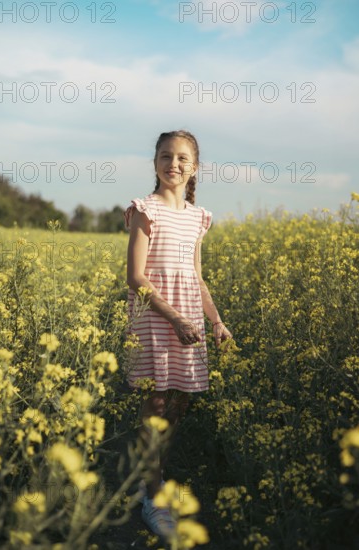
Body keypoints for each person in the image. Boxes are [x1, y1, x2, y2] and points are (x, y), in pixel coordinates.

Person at [123, 129, 233, 538]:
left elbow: (197, 279)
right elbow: (136, 278)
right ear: (154, 164)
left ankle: (152, 474)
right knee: (154, 405)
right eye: (165, 156)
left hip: (189, 319)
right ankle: (153, 497)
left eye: (182, 158)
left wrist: (216, 322)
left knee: (179, 403)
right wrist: (174, 318)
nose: (174, 164)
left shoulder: (199, 217)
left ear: (195, 168)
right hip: (157, 317)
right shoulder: (143, 210)